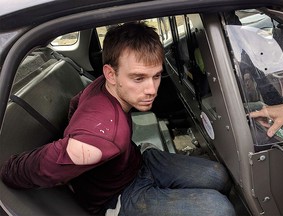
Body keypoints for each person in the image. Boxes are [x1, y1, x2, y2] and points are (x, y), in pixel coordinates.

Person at [1, 22, 235, 216]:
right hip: (119, 196)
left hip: (137, 162)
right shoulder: (99, 140)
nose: (151, 89)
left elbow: (74, 107)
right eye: (138, 78)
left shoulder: (104, 86)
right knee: (220, 209)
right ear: (110, 74)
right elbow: (43, 166)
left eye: (156, 76)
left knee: (219, 176)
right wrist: (7, 171)